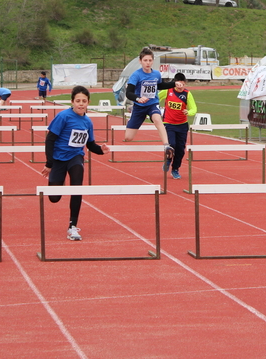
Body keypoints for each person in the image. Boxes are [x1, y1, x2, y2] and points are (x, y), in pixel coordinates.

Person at [40, 86, 110, 241]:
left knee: (77, 186)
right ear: (72, 102)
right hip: (58, 158)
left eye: (84, 101)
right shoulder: (63, 117)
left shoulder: (87, 122)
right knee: (54, 197)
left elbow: (90, 144)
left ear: (88, 103)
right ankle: (59, 180)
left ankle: (72, 226)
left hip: (76, 157)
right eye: (77, 101)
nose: (81, 104)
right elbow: (50, 140)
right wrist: (49, 163)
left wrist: (100, 150)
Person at [124, 47, 177, 171]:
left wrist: (174, 83)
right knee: (128, 138)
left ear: (153, 61)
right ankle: (131, 113)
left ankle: (166, 146)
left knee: (158, 119)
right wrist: (138, 98)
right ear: (140, 61)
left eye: (150, 60)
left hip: (152, 104)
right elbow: (129, 92)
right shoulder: (136, 75)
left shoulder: (156, 74)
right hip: (139, 107)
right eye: (145, 60)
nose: (147, 63)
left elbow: (160, 86)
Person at [157, 72, 197, 180]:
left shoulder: (187, 94)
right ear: (175, 83)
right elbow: (156, 97)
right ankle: (168, 160)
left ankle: (175, 169)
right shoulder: (168, 91)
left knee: (180, 149)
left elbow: (194, 108)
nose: (180, 87)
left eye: (182, 85)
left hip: (182, 125)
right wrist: (154, 108)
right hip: (169, 123)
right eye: (178, 85)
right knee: (172, 144)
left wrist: (188, 112)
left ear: (185, 84)